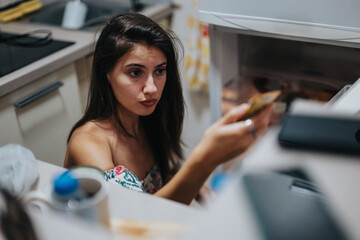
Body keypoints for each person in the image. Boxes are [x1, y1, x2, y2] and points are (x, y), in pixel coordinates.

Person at [64, 13, 273, 205]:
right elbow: (136, 214)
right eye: (135, 73)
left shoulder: (146, 120)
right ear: (106, 74)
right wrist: (206, 160)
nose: (152, 88)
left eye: (160, 71)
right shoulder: (88, 141)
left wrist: (199, 188)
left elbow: (156, 184)